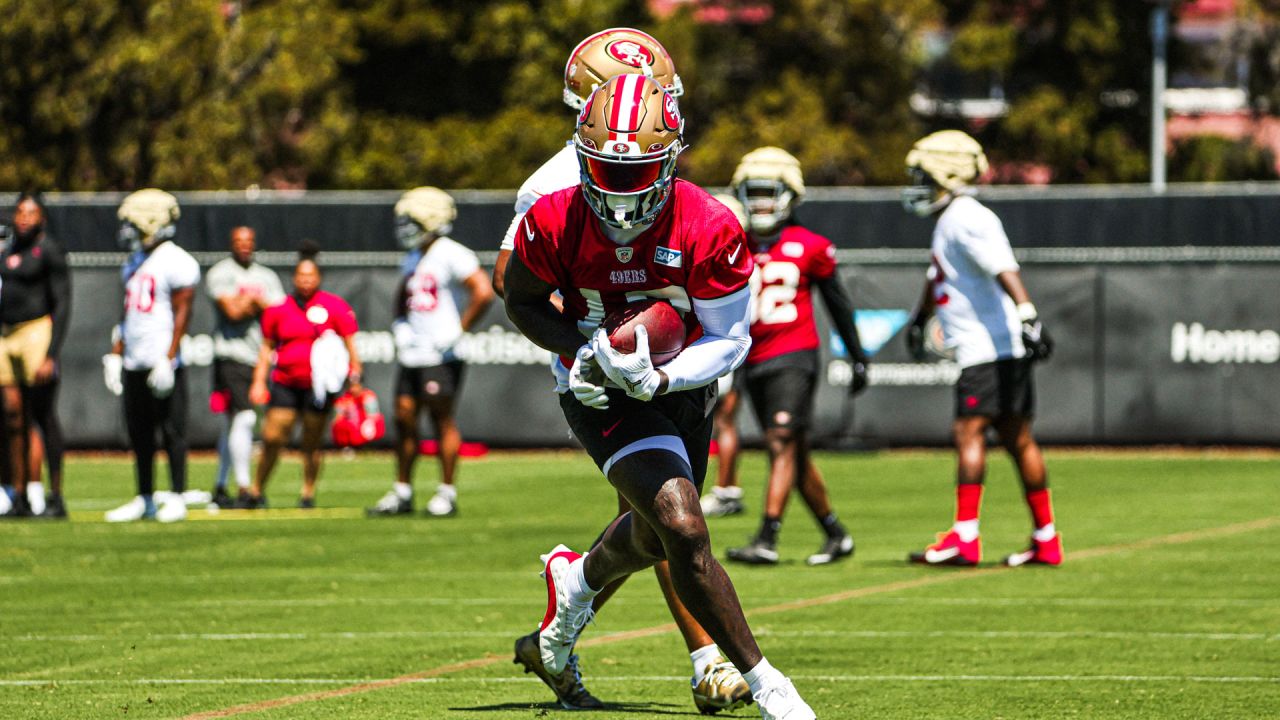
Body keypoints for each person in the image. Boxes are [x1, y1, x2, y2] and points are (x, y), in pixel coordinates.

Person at [504, 74, 816, 720]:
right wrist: (583, 350)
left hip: (685, 382)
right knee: (681, 522)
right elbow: (522, 301)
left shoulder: (708, 222)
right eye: (606, 171)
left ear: (672, 156)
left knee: (652, 536)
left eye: (637, 171)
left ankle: (574, 586)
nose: (619, 191)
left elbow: (730, 338)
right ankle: (770, 688)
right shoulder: (551, 212)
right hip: (597, 389)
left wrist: (663, 379)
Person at [900, 130, 1061, 567]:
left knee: (969, 432)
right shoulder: (952, 217)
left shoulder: (966, 215)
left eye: (923, 174)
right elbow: (940, 278)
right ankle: (1046, 538)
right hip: (999, 348)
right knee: (1017, 438)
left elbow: (1003, 266)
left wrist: (1028, 311)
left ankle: (965, 536)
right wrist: (918, 321)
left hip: (985, 349)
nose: (917, 182)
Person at [722, 147, 868, 567]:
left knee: (780, 441)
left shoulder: (812, 246)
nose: (761, 202)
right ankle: (835, 534)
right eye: (753, 193)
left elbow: (839, 305)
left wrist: (858, 355)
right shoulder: (732, 242)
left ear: (790, 194)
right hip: (752, 358)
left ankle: (767, 536)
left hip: (794, 354)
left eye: (769, 193)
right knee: (795, 452)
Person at [367, 187, 494, 517]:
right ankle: (402, 491)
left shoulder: (452, 253)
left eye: (411, 220)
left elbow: (483, 292)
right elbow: (403, 296)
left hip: (442, 354)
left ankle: (446, 493)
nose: (405, 227)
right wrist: (400, 324)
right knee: (404, 418)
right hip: (414, 352)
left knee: (441, 420)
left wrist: (458, 330)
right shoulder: (412, 257)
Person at [104, 189, 199, 523]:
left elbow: (183, 312)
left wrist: (168, 357)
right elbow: (126, 312)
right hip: (134, 358)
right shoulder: (133, 261)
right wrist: (117, 353)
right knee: (139, 433)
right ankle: (144, 496)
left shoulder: (177, 260)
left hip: (162, 360)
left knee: (172, 431)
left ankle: (176, 495)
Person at [246, 242, 361, 510]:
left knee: (311, 441)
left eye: (311, 276)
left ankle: (307, 493)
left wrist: (355, 376)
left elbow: (350, 345)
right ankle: (256, 489)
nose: (306, 281)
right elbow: (267, 348)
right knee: (273, 437)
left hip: (318, 387)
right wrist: (258, 380)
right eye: (301, 276)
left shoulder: (334, 306)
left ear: (318, 278)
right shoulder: (279, 309)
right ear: (294, 278)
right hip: (286, 382)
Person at [0, 193, 70, 519]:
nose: (24, 217)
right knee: (13, 417)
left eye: (31, 212)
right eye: (20, 211)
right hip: (7, 335)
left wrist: (50, 354)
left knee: (43, 416)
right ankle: (18, 495)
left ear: (41, 217)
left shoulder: (49, 250)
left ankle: (55, 496)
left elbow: (62, 303)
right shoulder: (10, 249)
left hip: (36, 333)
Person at [205, 226, 284, 508]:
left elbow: (278, 313)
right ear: (230, 243)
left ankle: (220, 484)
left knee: (233, 423)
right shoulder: (221, 272)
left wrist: (250, 302)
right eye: (238, 241)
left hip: (258, 355)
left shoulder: (266, 276)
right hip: (231, 355)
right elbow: (233, 311)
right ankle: (243, 487)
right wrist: (252, 303)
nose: (244, 246)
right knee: (245, 417)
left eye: (249, 241)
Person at [701, 194, 749, 518]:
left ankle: (725, 489)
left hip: (724, 344)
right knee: (724, 420)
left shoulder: (731, 259)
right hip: (735, 344)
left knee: (722, 420)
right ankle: (727, 488)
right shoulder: (743, 255)